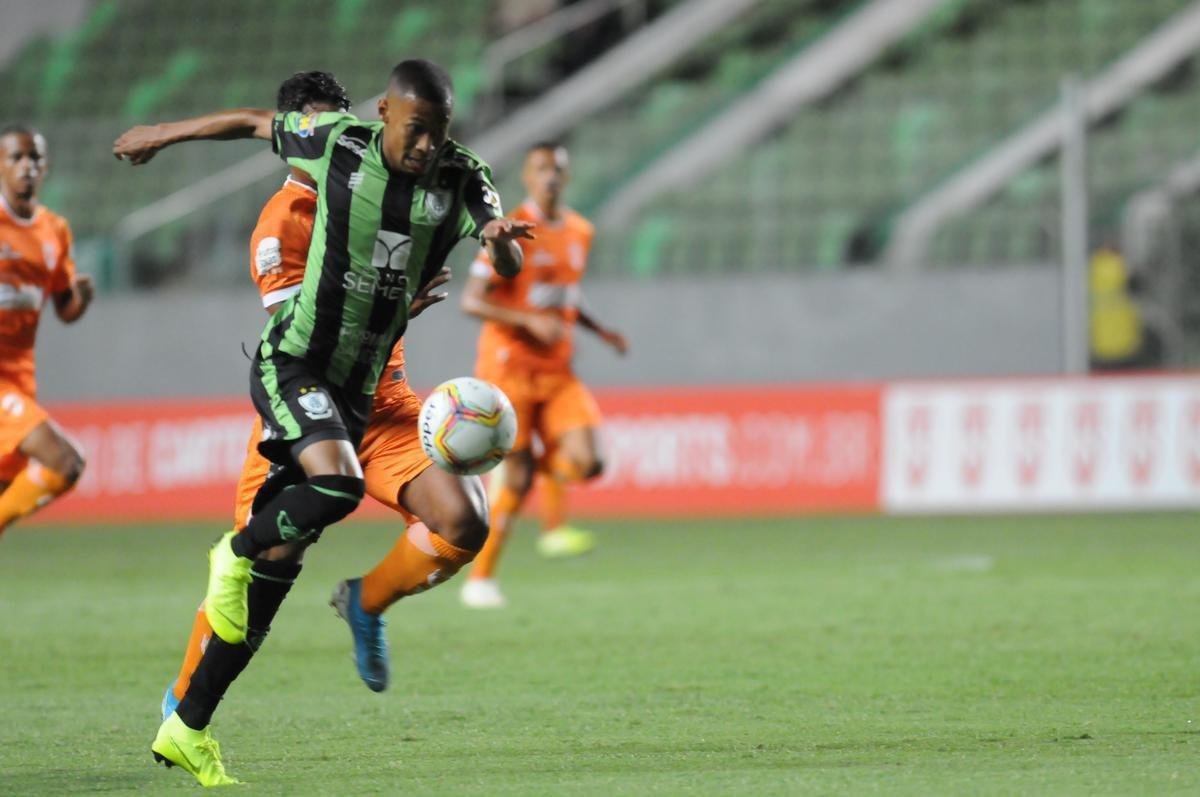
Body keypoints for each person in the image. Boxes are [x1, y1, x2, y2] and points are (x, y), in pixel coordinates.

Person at [114, 59, 532, 786]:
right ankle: (187, 701)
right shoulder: (288, 213)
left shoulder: (442, 178)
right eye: (319, 117)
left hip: (383, 399)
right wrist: (160, 133)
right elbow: (306, 321)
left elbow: (494, 242)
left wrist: (494, 242)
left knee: (465, 521)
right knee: (263, 572)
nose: (427, 146)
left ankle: (366, 601)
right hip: (306, 395)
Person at [459, 141, 626, 609]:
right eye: (541, 168)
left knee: (589, 461)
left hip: (557, 371)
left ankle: (549, 513)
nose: (550, 175)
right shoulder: (506, 229)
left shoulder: (580, 230)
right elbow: (471, 300)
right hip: (509, 370)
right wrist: (527, 321)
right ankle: (481, 581)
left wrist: (601, 331)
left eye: (558, 168)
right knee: (515, 477)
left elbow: (566, 295)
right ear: (528, 178)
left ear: (567, 177)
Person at [0, 124, 93, 537]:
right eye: (16, 158)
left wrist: (82, 298)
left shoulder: (54, 230)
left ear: (46, 167)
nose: (26, 167)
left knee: (6, 489)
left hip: (19, 380)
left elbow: (64, 308)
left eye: (33, 158)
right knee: (65, 462)